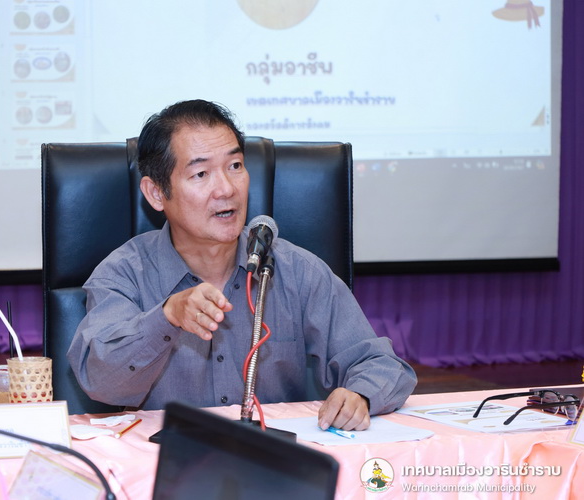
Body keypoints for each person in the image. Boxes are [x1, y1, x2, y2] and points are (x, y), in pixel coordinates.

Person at [67, 99, 417, 431]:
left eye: (235, 166)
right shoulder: (124, 274)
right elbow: (101, 381)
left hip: (272, 461)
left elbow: (381, 364)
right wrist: (167, 317)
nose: (226, 189)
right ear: (157, 193)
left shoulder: (295, 269)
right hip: (162, 462)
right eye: (201, 174)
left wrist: (359, 395)